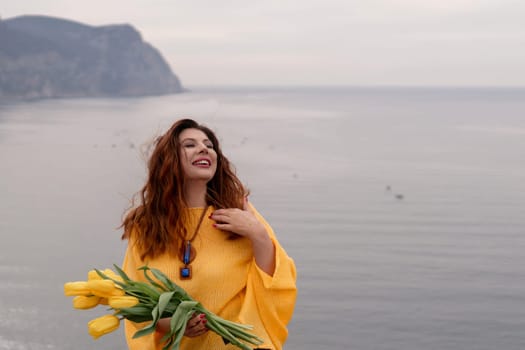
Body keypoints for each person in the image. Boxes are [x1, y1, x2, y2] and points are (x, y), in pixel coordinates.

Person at [120, 118, 297, 350]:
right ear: (169, 159)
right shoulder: (145, 225)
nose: (204, 148)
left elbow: (275, 283)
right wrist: (174, 323)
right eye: (189, 145)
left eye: (209, 145)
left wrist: (258, 234)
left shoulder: (237, 214)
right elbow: (133, 301)